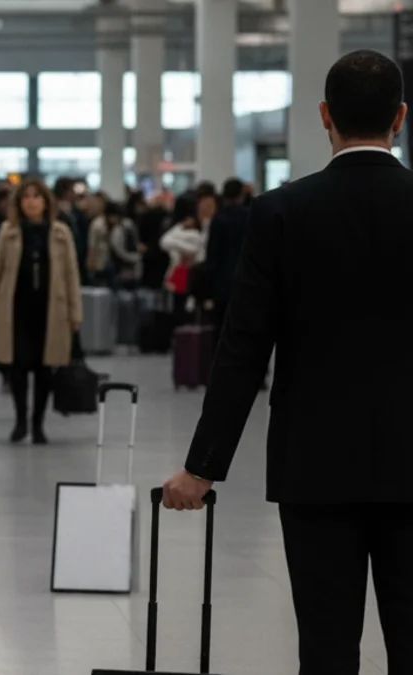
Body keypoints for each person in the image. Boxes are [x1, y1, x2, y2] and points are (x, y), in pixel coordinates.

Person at [162, 50, 413, 675]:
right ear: (400, 118)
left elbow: (243, 347)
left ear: (324, 115)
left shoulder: (281, 212)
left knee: (326, 649)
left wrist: (202, 467)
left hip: (315, 463)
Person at [0, 179, 82, 445]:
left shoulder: (60, 233)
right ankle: (20, 420)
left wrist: (75, 311)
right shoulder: (8, 232)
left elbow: (71, 274)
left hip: (50, 309)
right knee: (18, 367)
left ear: (46, 202)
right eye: (26, 197)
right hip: (16, 308)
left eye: (37, 197)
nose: (31, 202)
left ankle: (38, 424)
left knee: (45, 367)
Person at [202, 177, 250, 339]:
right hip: (246, 281)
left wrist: (208, 287)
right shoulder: (249, 216)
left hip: (221, 283)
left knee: (221, 328)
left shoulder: (218, 219)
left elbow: (212, 254)